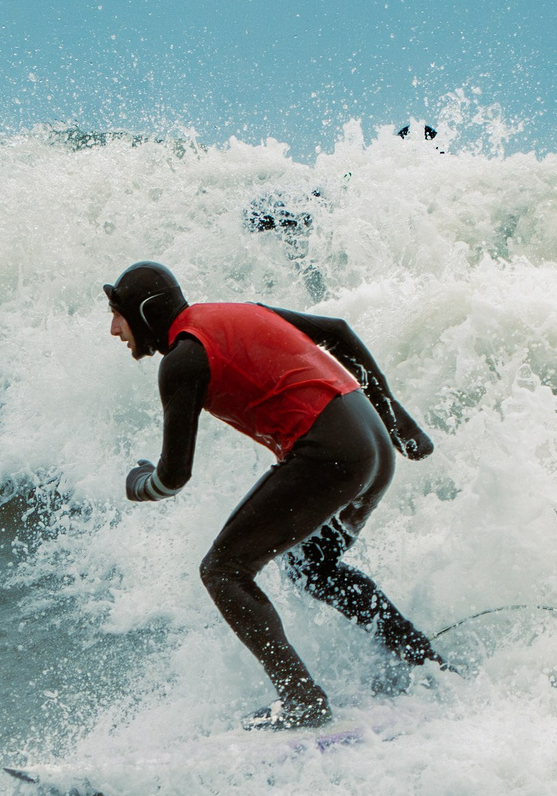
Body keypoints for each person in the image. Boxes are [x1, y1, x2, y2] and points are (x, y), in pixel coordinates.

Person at [105, 261, 447, 729]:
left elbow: (173, 477)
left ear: (144, 313)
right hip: (372, 450)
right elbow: (339, 332)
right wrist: (395, 420)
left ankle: (303, 701)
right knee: (314, 568)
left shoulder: (183, 359)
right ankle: (423, 660)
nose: (113, 330)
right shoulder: (239, 312)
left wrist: (138, 483)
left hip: (331, 453)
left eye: (117, 315)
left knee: (224, 571)